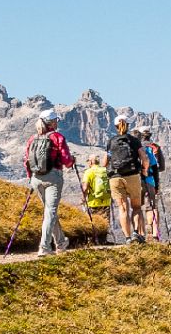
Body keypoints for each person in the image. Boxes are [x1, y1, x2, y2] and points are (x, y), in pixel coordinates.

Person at [24, 109, 75, 257]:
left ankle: (60, 243)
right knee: (50, 212)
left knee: (49, 211)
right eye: (56, 121)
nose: (57, 122)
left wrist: (31, 178)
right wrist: (73, 161)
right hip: (53, 177)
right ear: (52, 122)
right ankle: (44, 247)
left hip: (36, 179)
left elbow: (26, 159)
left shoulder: (32, 139)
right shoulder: (57, 137)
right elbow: (66, 160)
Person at [103, 115, 150, 244]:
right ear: (128, 125)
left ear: (115, 126)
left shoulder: (110, 141)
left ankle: (128, 238)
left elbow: (104, 162)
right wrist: (145, 171)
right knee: (136, 207)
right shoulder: (134, 141)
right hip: (132, 176)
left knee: (122, 209)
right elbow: (144, 158)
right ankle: (136, 233)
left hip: (115, 178)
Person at [133, 128, 161, 240]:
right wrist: (157, 185)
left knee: (137, 208)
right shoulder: (152, 147)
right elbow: (157, 167)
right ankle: (153, 233)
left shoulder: (134, 147)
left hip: (136, 181)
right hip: (150, 180)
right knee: (151, 208)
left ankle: (138, 234)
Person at [80, 154, 111, 219]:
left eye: (88, 161)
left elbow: (85, 188)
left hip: (94, 203)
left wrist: (83, 199)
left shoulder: (88, 172)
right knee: (105, 224)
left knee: (95, 225)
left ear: (91, 162)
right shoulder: (105, 170)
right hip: (106, 202)